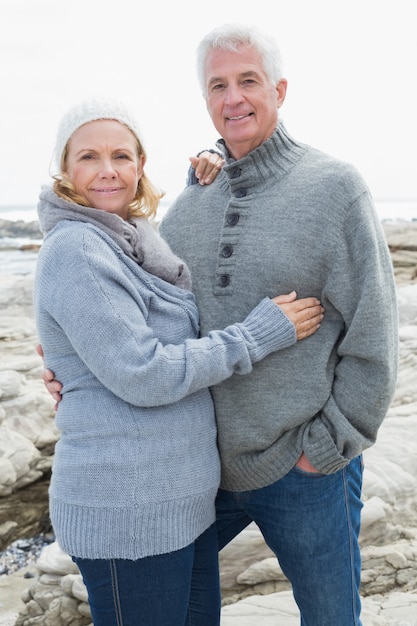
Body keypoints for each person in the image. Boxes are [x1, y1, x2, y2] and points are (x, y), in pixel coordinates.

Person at [33, 98, 324, 626]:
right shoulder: (76, 248)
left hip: (181, 506)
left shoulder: (135, 241)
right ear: (65, 170)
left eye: (121, 156)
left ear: (141, 164)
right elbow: (145, 373)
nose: (107, 171)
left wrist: (211, 162)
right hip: (126, 512)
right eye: (88, 157)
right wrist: (258, 335)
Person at [159, 24, 399, 625]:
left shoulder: (335, 189)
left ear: (280, 90)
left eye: (248, 81)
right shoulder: (189, 205)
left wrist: (326, 447)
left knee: (329, 619)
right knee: (178, 609)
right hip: (200, 470)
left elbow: (373, 332)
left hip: (302, 465)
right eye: (218, 85)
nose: (233, 97)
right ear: (206, 100)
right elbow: (152, 319)